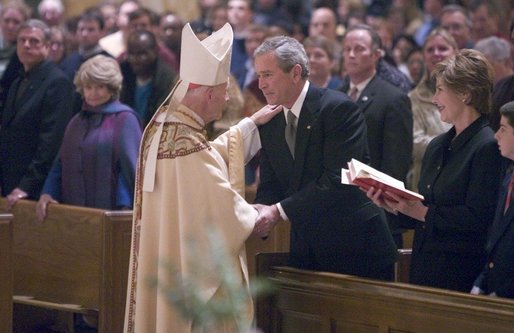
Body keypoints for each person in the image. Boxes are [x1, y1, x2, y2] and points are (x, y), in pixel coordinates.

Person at [124, 23, 281, 332]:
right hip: (194, 276)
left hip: (169, 262)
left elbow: (206, 157)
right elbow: (221, 207)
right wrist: (260, 213)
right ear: (207, 93)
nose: (226, 101)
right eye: (223, 93)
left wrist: (249, 126)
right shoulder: (189, 144)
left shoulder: (165, 129)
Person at [251, 35, 398, 280]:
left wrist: (277, 211)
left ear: (295, 73)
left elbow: (338, 180)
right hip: (307, 249)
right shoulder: (271, 120)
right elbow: (271, 184)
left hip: (355, 249)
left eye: (268, 75)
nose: (261, 84)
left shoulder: (337, 109)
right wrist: (259, 213)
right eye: (258, 76)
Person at [366, 49, 503, 292]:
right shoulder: (438, 145)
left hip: (460, 273)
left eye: (440, 90)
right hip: (425, 267)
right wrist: (395, 205)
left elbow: (479, 218)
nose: (433, 98)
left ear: (465, 93)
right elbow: (424, 208)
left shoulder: (488, 146)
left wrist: (423, 212)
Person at [36, 55, 141, 220]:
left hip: (112, 215)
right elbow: (60, 163)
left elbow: (129, 170)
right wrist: (47, 193)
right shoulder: (76, 122)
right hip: (75, 214)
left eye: (100, 87)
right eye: (88, 87)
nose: (93, 93)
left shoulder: (125, 119)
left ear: (112, 88)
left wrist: (124, 208)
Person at [339, 24, 413, 248]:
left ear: (376, 55)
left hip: (375, 212)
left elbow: (396, 163)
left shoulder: (393, 99)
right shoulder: (335, 95)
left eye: (359, 49)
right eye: (347, 49)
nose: (351, 55)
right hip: (337, 210)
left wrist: (378, 199)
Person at [0, 19, 73, 209]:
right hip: (10, 180)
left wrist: (26, 185)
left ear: (47, 47)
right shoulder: (17, 81)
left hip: (34, 188)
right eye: (22, 40)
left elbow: (51, 142)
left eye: (34, 41)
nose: (26, 45)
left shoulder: (57, 82)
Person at [471, 101, 514, 299]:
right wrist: (481, 282)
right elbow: (496, 239)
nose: (496, 135)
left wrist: (502, 294)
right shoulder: (508, 177)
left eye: (503, 129)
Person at [407, 28, 457, 192]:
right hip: (425, 182)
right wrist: (458, 146)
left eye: (443, 48)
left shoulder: (468, 94)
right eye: (430, 49)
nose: (436, 53)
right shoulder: (413, 97)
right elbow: (415, 144)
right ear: (423, 56)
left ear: (455, 52)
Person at [120, 29, 177, 127]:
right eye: (131, 54)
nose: (135, 59)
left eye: (142, 54)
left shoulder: (168, 80)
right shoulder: (122, 73)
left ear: (155, 52)